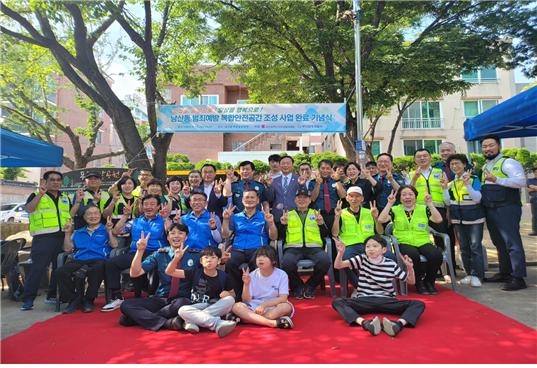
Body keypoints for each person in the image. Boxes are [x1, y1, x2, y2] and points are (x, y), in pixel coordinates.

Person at [331, 235, 425, 337]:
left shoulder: (391, 264)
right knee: (338, 302)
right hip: (364, 299)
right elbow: (338, 265)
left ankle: (398, 324)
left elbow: (411, 281)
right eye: (368, 246)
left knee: (418, 304)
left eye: (375, 246)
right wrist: (340, 253)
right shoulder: (362, 259)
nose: (371, 249)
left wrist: (410, 268)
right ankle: (365, 323)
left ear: (383, 250)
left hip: (387, 300)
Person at [102, 194, 171, 311]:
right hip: (136, 252)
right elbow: (116, 231)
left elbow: (170, 232)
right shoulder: (135, 221)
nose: (149, 207)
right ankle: (116, 297)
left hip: (156, 253)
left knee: (154, 266)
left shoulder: (163, 220)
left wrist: (165, 218)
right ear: (141, 206)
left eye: (152, 204)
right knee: (111, 263)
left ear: (158, 206)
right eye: (146, 204)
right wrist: (125, 216)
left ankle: (153, 296)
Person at [118, 224, 192, 331]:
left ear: (186, 237)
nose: (176, 236)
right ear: (167, 237)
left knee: (182, 304)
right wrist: (140, 251)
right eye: (172, 233)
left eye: (180, 233)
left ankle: (138, 319)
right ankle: (166, 322)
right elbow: (135, 273)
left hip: (182, 299)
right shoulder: (159, 254)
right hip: (161, 299)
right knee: (126, 305)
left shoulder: (195, 255)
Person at [480, 136, 527, 291]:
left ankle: (518, 277)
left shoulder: (508, 162)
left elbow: (521, 182)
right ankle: (505, 272)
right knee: (499, 243)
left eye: (491, 145)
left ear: (498, 146)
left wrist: (497, 179)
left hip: (507, 208)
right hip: (491, 208)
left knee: (512, 243)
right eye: (484, 146)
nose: (487, 149)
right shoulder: (486, 165)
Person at [377, 186, 444, 295]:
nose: (407, 197)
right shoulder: (395, 210)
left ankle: (429, 281)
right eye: (404, 195)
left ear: (415, 197)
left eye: (410, 194)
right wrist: (389, 203)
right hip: (404, 242)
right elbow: (381, 219)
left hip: (423, 241)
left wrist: (430, 204)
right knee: (413, 256)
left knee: (436, 255)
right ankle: (419, 283)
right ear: (400, 198)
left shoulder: (423, 208)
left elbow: (438, 220)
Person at [21, 170, 72, 311]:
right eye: (52, 180)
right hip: (43, 238)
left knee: (58, 268)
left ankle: (51, 295)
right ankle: (28, 300)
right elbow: (29, 209)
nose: (56, 182)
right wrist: (40, 194)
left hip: (61, 237)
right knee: (37, 269)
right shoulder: (36, 195)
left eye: (58, 180)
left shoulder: (65, 197)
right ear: (45, 182)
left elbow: (68, 215)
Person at [165, 246, 237, 338]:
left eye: (213, 257)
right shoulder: (195, 272)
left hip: (213, 305)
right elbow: (169, 272)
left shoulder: (224, 276)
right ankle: (217, 323)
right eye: (206, 257)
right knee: (182, 310)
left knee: (230, 300)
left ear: (219, 261)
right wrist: (176, 259)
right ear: (201, 261)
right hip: (195, 307)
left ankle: (192, 320)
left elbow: (233, 294)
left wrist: (228, 294)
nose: (209, 260)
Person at [57, 206, 118, 313]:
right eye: (89, 214)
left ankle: (88, 299)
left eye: (96, 213)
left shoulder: (105, 229)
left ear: (100, 215)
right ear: (84, 217)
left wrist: (109, 231)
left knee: (97, 270)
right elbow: (67, 249)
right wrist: (67, 233)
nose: (93, 216)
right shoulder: (78, 232)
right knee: (60, 272)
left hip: (99, 259)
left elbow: (114, 245)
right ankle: (74, 299)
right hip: (79, 259)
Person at [221, 190, 278, 299]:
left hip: (258, 249)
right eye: (247, 197)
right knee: (230, 263)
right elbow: (225, 234)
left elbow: (274, 237)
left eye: (252, 198)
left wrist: (271, 223)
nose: (249, 200)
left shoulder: (264, 216)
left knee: (258, 264)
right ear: (242, 200)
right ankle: (237, 297)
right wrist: (226, 220)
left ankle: (258, 296)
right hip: (238, 249)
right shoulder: (236, 217)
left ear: (257, 201)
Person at [442, 154, 485, 287]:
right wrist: (444, 189)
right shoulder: (451, 183)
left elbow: (477, 198)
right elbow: (448, 202)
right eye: (452, 164)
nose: (455, 166)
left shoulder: (473, 179)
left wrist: (468, 185)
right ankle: (469, 274)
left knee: (475, 247)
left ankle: (477, 275)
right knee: (464, 248)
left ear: (464, 164)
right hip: (458, 219)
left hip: (474, 218)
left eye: (457, 163)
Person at [407, 148, 453, 269]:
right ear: (414, 160)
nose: (422, 158)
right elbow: (407, 192)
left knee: (441, 239)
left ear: (430, 157)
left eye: (425, 156)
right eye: (419, 156)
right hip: (419, 211)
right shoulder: (411, 174)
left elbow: (445, 191)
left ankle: (447, 270)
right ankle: (427, 268)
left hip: (438, 209)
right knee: (421, 239)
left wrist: (448, 210)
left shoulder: (439, 172)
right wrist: (414, 178)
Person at [280, 189, 330, 299]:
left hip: (314, 248)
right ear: (295, 200)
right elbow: (280, 236)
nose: (302, 200)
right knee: (287, 262)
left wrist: (321, 224)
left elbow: (325, 234)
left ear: (309, 200)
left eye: (305, 197)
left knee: (325, 261)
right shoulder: (288, 214)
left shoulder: (316, 213)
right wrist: (283, 225)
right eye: (299, 197)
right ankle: (298, 286)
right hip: (293, 248)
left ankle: (310, 285)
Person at [332, 187, 385, 290]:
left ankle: (382, 287)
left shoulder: (370, 212)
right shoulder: (341, 213)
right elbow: (335, 233)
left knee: (389, 256)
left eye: (357, 196)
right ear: (346, 198)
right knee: (345, 259)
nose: (354, 199)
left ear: (362, 198)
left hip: (370, 245)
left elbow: (380, 232)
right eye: (351, 196)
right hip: (350, 246)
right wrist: (337, 217)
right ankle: (360, 288)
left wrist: (375, 218)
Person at [231, 246, 295, 329]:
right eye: (258, 256)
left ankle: (245, 320)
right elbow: (246, 300)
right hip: (255, 305)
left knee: (286, 307)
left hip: (274, 305)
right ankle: (272, 323)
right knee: (236, 306)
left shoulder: (282, 275)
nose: (260, 259)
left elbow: (283, 298)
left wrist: (264, 305)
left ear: (273, 261)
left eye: (264, 256)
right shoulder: (252, 275)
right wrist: (246, 284)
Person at [265, 155, 307, 239]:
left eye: (288, 163)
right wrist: (269, 186)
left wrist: (302, 185)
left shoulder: (298, 179)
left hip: (294, 214)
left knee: (293, 239)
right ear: (280, 165)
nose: (285, 165)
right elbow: (270, 198)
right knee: (279, 240)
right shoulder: (274, 180)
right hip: (277, 215)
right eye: (283, 163)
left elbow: (305, 196)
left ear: (292, 165)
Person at [527, 167, 537, 236]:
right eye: (536, 172)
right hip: (535, 200)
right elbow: (529, 189)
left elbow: (532, 188)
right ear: (534, 173)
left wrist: (534, 188)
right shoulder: (530, 180)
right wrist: (532, 188)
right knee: (535, 215)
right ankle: (535, 231)